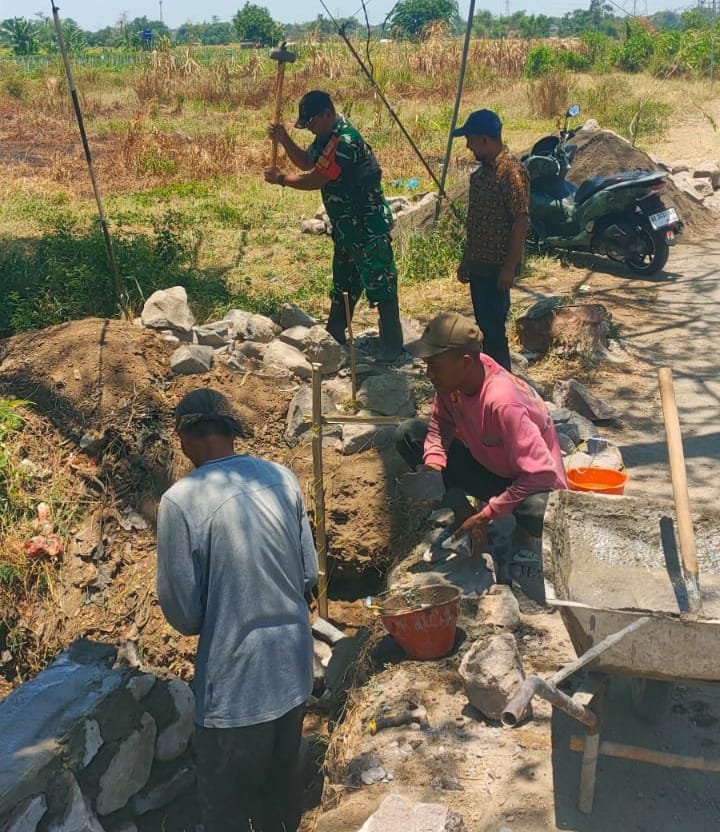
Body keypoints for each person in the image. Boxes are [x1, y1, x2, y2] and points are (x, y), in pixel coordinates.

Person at [156, 388, 318, 832]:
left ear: (186, 437)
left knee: (225, 811)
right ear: (231, 432)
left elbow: (185, 615)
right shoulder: (283, 478)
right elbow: (309, 574)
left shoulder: (180, 501)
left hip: (235, 687)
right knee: (282, 801)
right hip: (292, 670)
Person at [395, 312, 567, 596]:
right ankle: (464, 516)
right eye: (427, 366)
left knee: (539, 512)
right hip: (489, 465)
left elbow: (540, 474)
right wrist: (434, 464)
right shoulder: (453, 382)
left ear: (465, 362)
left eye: (434, 366)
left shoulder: (503, 402)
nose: (429, 375)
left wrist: (488, 514)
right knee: (409, 434)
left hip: (531, 482)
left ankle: (518, 542)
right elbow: (440, 424)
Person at [264, 89, 404, 362]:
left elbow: (316, 179)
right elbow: (306, 160)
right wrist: (284, 140)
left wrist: (282, 179)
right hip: (345, 228)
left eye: (313, 123)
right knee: (344, 282)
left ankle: (392, 345)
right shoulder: (325, 136)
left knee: (380, 281)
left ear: (328, 114)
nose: (311, 129)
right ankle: (335, 333)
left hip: (366, 226)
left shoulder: (345, 141)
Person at [452, 109, 530, 371]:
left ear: (484, 139)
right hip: (479, 265)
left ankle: (503, 384)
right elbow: (475, 224)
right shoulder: (480, 176)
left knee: (495, 332)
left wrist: (509, 266)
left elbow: (520, 219)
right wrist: (466, 260)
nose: (468, 146)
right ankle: (490, 379)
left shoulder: (511, 172)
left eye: (470, 140)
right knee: (484, 328)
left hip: (498, 268)